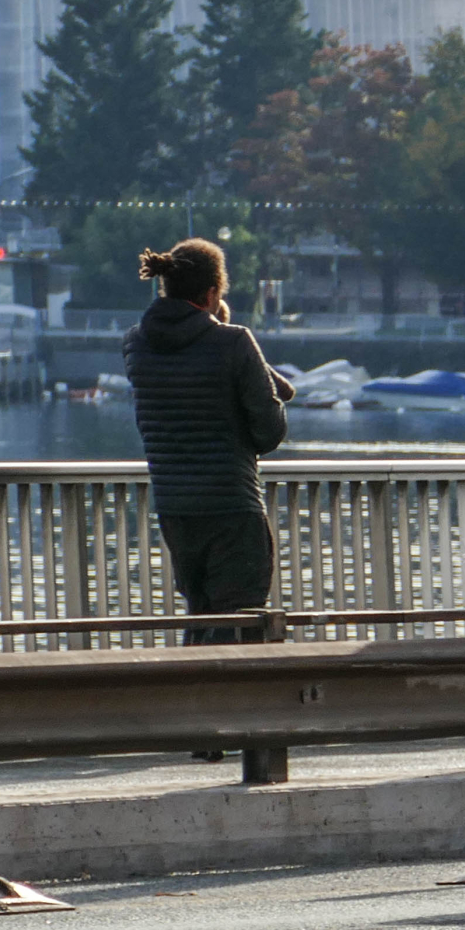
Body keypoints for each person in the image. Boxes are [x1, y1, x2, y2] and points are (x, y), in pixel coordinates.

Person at [122, 239, 295, 657]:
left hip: (176, 509)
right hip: (232, 507)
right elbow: (270, 432)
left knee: (200, 617)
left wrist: (218, 328)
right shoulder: (233, 342)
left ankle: (191, 709)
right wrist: (223, 330)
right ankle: (232, 712)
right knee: (240, 620)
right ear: (214, 292)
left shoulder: (135, 343)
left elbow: (281, 387)